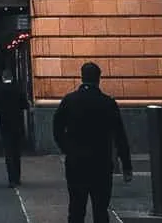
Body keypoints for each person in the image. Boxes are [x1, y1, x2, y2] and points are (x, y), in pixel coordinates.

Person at [53, 62, 133, 223]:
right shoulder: (108, 103)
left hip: (76, 162)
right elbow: (120, 136)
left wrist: (67, 148)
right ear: (99, 79)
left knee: (76, 208)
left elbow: (57, 128)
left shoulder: (70, 100)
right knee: (101, 209)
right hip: (101, 162)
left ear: (82, 77)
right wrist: (126, 166)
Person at [0, 69, 29, 186]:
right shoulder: (18, 90)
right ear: (12, 78)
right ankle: (17, 177)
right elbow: (25, 105)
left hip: (5, 124)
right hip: (17, 124)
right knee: (16, 152)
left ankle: (11, 178)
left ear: (3, 78)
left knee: (8, 153)